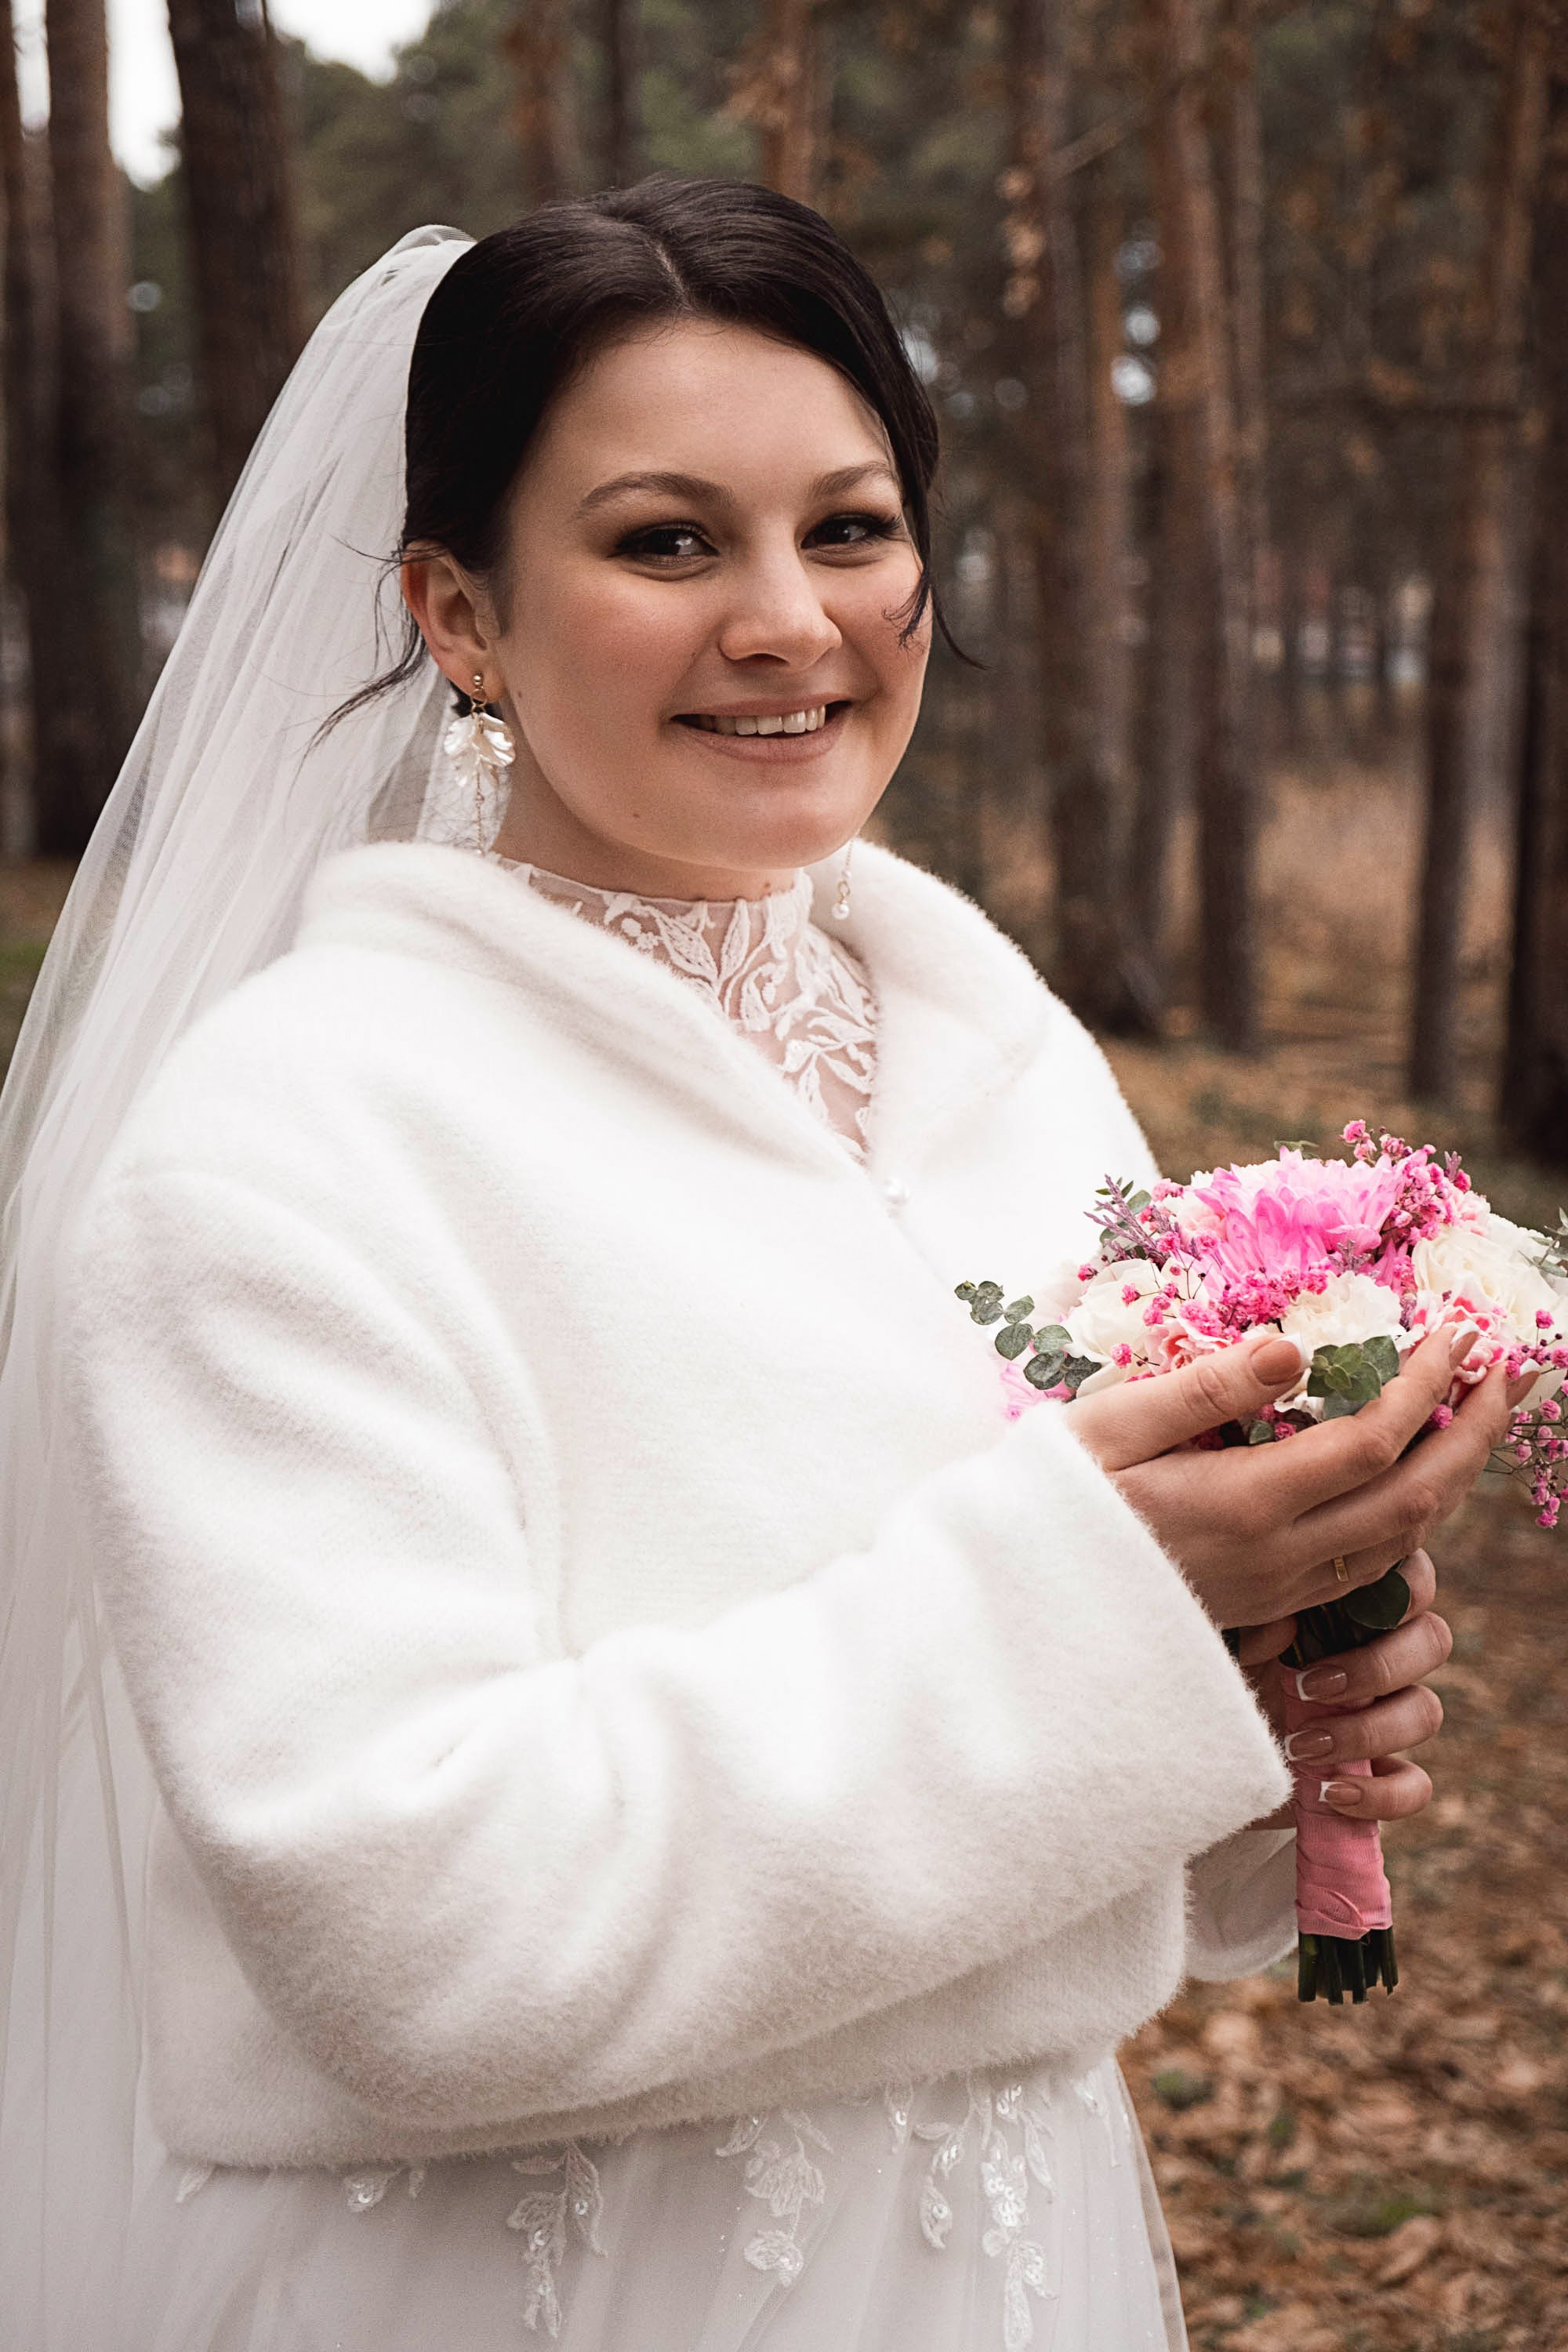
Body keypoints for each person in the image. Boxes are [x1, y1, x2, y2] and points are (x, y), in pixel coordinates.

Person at [0, 181, 1506, 2352]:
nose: (792, 622)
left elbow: (1090, 1841)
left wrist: (1266, 1689)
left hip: (1003, 2261)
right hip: (538, 2287)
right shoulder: (284, 1148)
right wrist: (1107, 1600)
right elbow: (407, 1940)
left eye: (852, 529)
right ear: (459, 614)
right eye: (668, 542)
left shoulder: (1010, 1068)